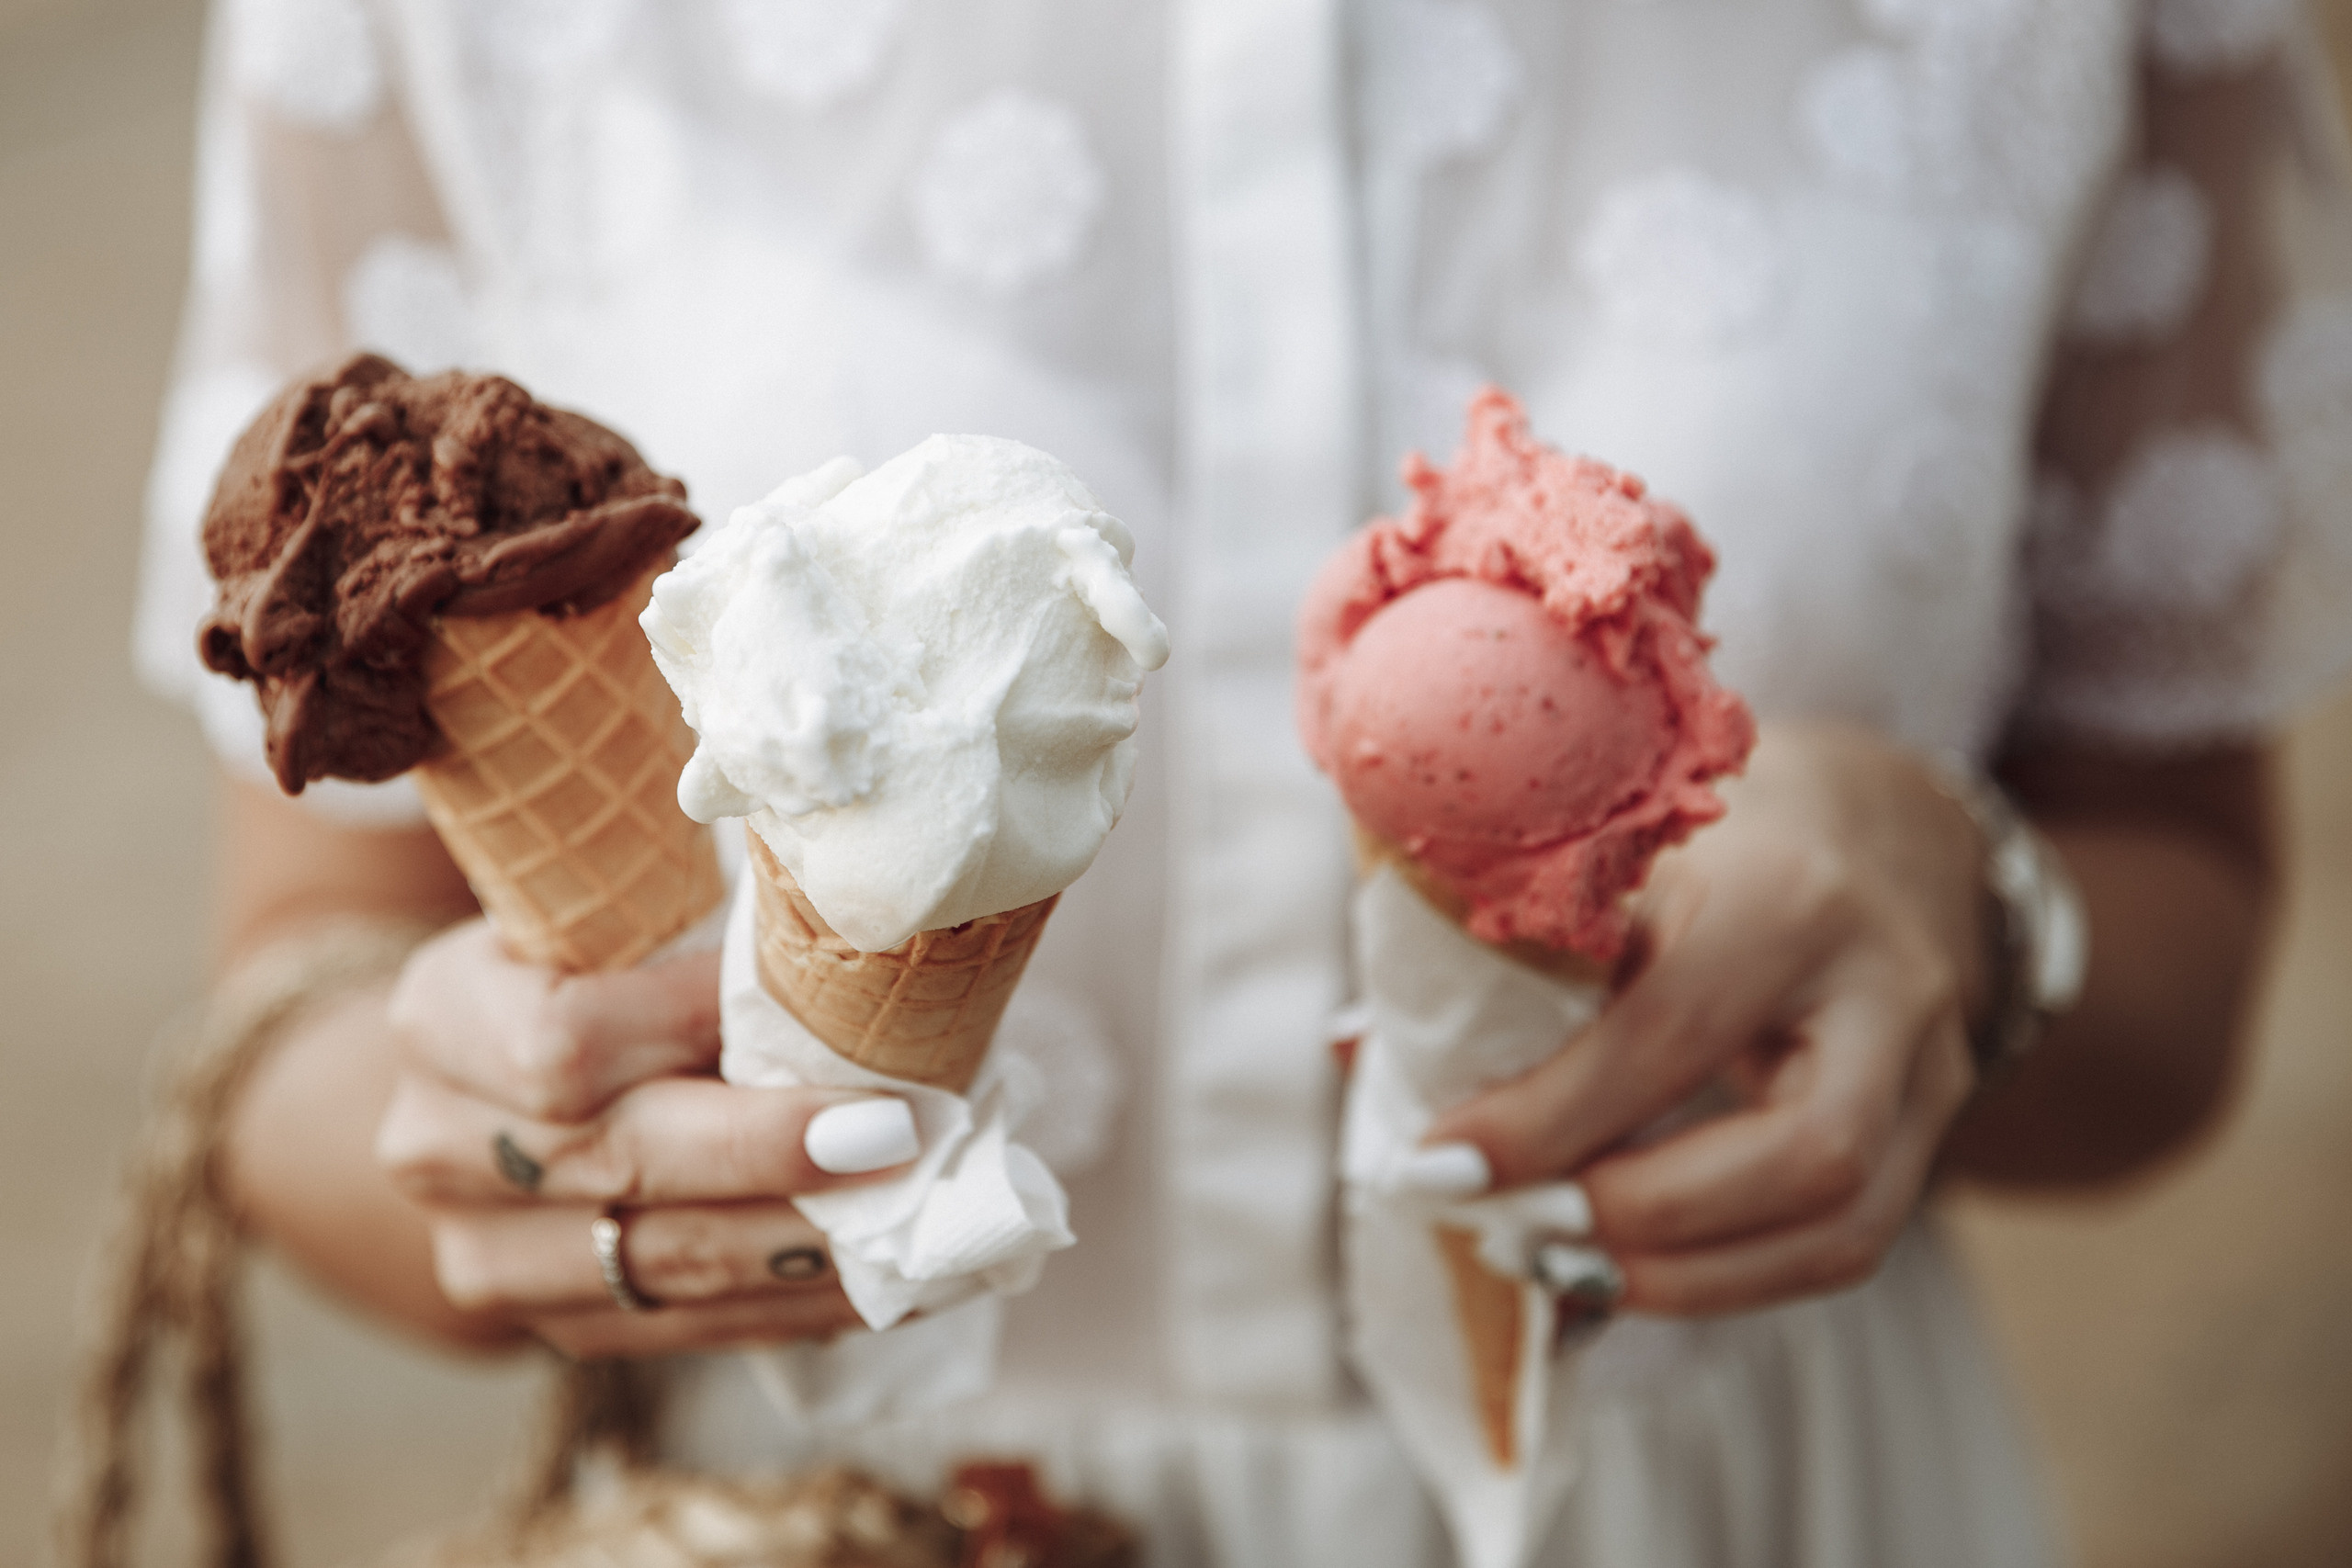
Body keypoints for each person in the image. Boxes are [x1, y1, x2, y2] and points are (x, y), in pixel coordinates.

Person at [134, 1, 2352, 1562]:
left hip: (1747, 1507)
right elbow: (296, 992)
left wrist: (1961, 899)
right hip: (833, 1518)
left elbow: (2179, 949)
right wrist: (505, 1151)